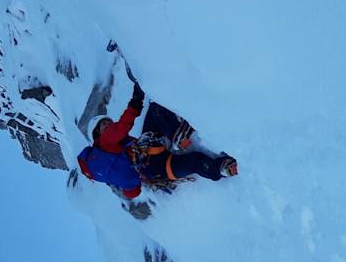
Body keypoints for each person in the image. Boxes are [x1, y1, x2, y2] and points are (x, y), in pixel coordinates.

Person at [77, 81, 237, 199]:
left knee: (195, 162)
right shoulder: (105, 141)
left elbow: (133, 192)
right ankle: (178, 136)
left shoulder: (112, 165)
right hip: (151, 156)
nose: (109, 125)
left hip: (157, 172)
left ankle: (221, 169)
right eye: (104, 125)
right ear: (97, 134)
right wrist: (136, 101)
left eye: (108, 123)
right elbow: (122, 126)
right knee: (156, 111)